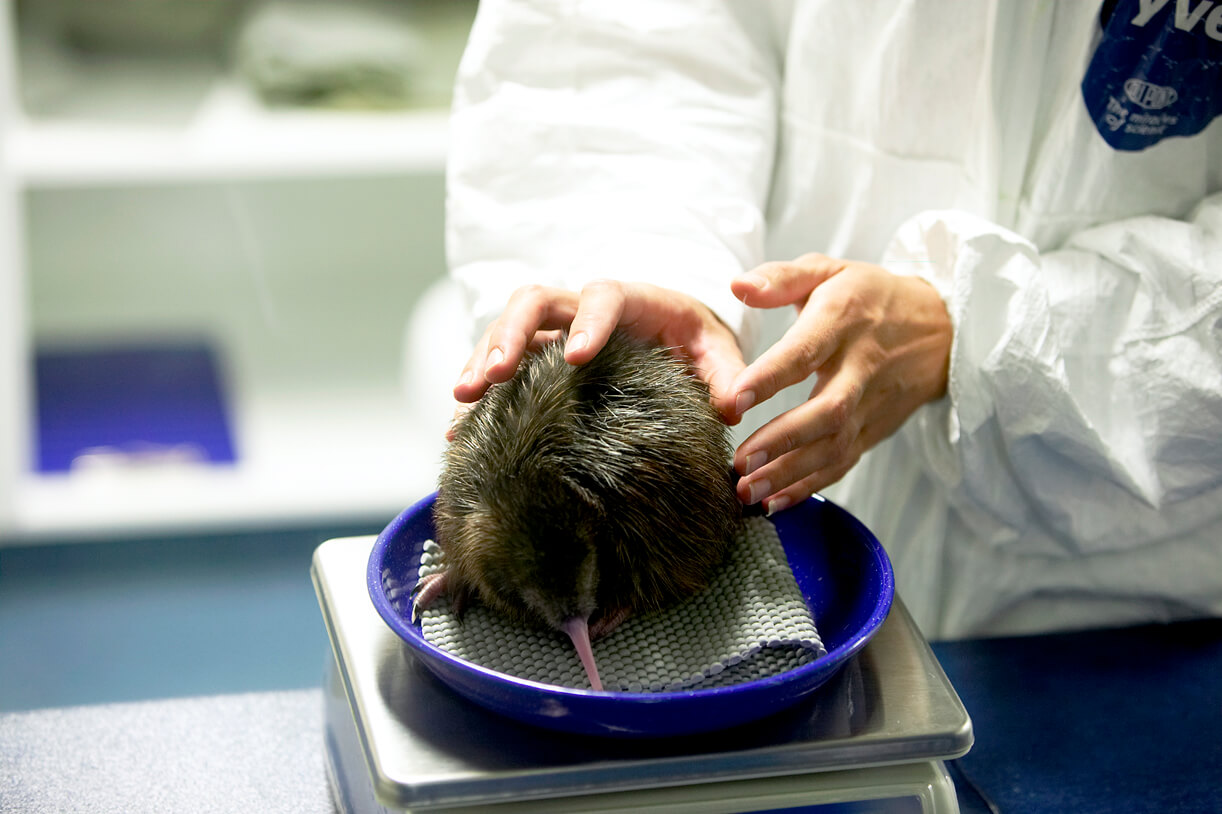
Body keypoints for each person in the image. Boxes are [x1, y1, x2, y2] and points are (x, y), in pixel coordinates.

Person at [441, 0, 1222, 639]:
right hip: (784, 522)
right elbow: (633, 41)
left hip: (1134, 604)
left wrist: (983, 338)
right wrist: (652, 261)